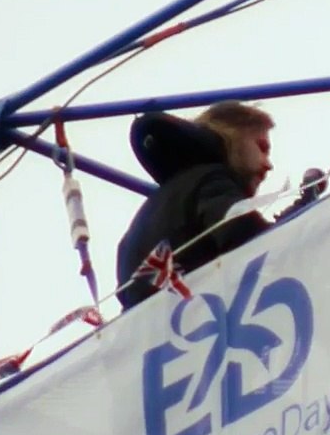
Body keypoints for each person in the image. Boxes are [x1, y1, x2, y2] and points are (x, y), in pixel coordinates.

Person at [116, 100, 275, 310]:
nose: (268, 165)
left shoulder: (146, 217)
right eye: (262, 147)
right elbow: (245, 234)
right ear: (233, 136)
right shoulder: (211, 180)